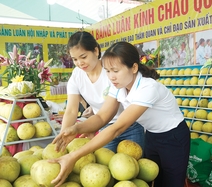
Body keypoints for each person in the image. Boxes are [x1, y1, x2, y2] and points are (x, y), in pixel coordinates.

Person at [51, 41, 190, 187]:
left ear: (134, 67)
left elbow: (117, 128)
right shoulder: (118, 86)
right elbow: (102, 116)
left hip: (173, 136)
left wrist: (74, 156)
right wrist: (77, 129)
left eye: (115, 71)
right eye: (107, 71)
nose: (111, 77)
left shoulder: (148, 88)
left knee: (172, 183)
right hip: (152, 135)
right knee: (153, 180)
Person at [59, 31, 145, 152]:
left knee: (133, 166)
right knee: (106, 164)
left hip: (130, 126)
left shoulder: (111, 72)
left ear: (96, 51)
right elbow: (72, 110)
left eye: (83, 57)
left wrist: (84, 127)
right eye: (75, 59)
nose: (80, 63)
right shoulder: (77, 75)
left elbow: (106, 113)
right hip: (103, 126)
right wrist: (64, 134)